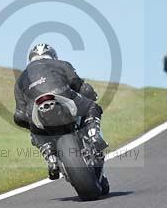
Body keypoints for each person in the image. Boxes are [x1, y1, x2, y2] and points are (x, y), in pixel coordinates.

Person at [13, 43, 107, 180]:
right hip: (63, 97)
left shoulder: (21, 79)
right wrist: (91, 95)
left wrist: (31, 125)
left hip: (37, 110)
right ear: (53, 55)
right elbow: (82, 87)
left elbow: (19, 115)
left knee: (34, 130)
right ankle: (93, 134)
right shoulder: (61, 64)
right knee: (91, 106)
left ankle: (50, 157)